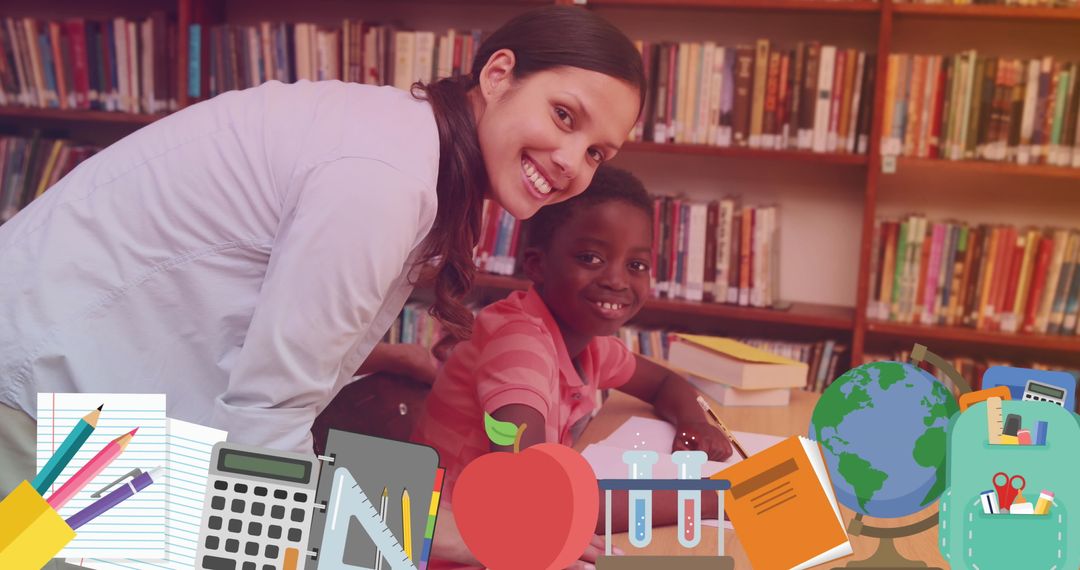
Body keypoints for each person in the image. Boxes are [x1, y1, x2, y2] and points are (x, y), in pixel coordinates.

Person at [0, 5, 645, 502]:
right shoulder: (387, 179)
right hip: (40, 406)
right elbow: (262, 432)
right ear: (499, 74)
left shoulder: (407, 139)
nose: (570, 164)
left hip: (82, 397)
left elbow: (261, 300)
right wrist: (430, 532)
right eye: (565, 116)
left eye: (597, 153)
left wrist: (381, 355)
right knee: (36, 551)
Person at [411, 166, 733, 569]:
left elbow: (663, 382)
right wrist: (708, 498)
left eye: (636, 265)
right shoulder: (519, 346)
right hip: (457, 550)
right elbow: (532, 497)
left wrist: (694, 422)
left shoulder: (587, 342)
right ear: (537, 264)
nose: (617, 280)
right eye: (590, 258)